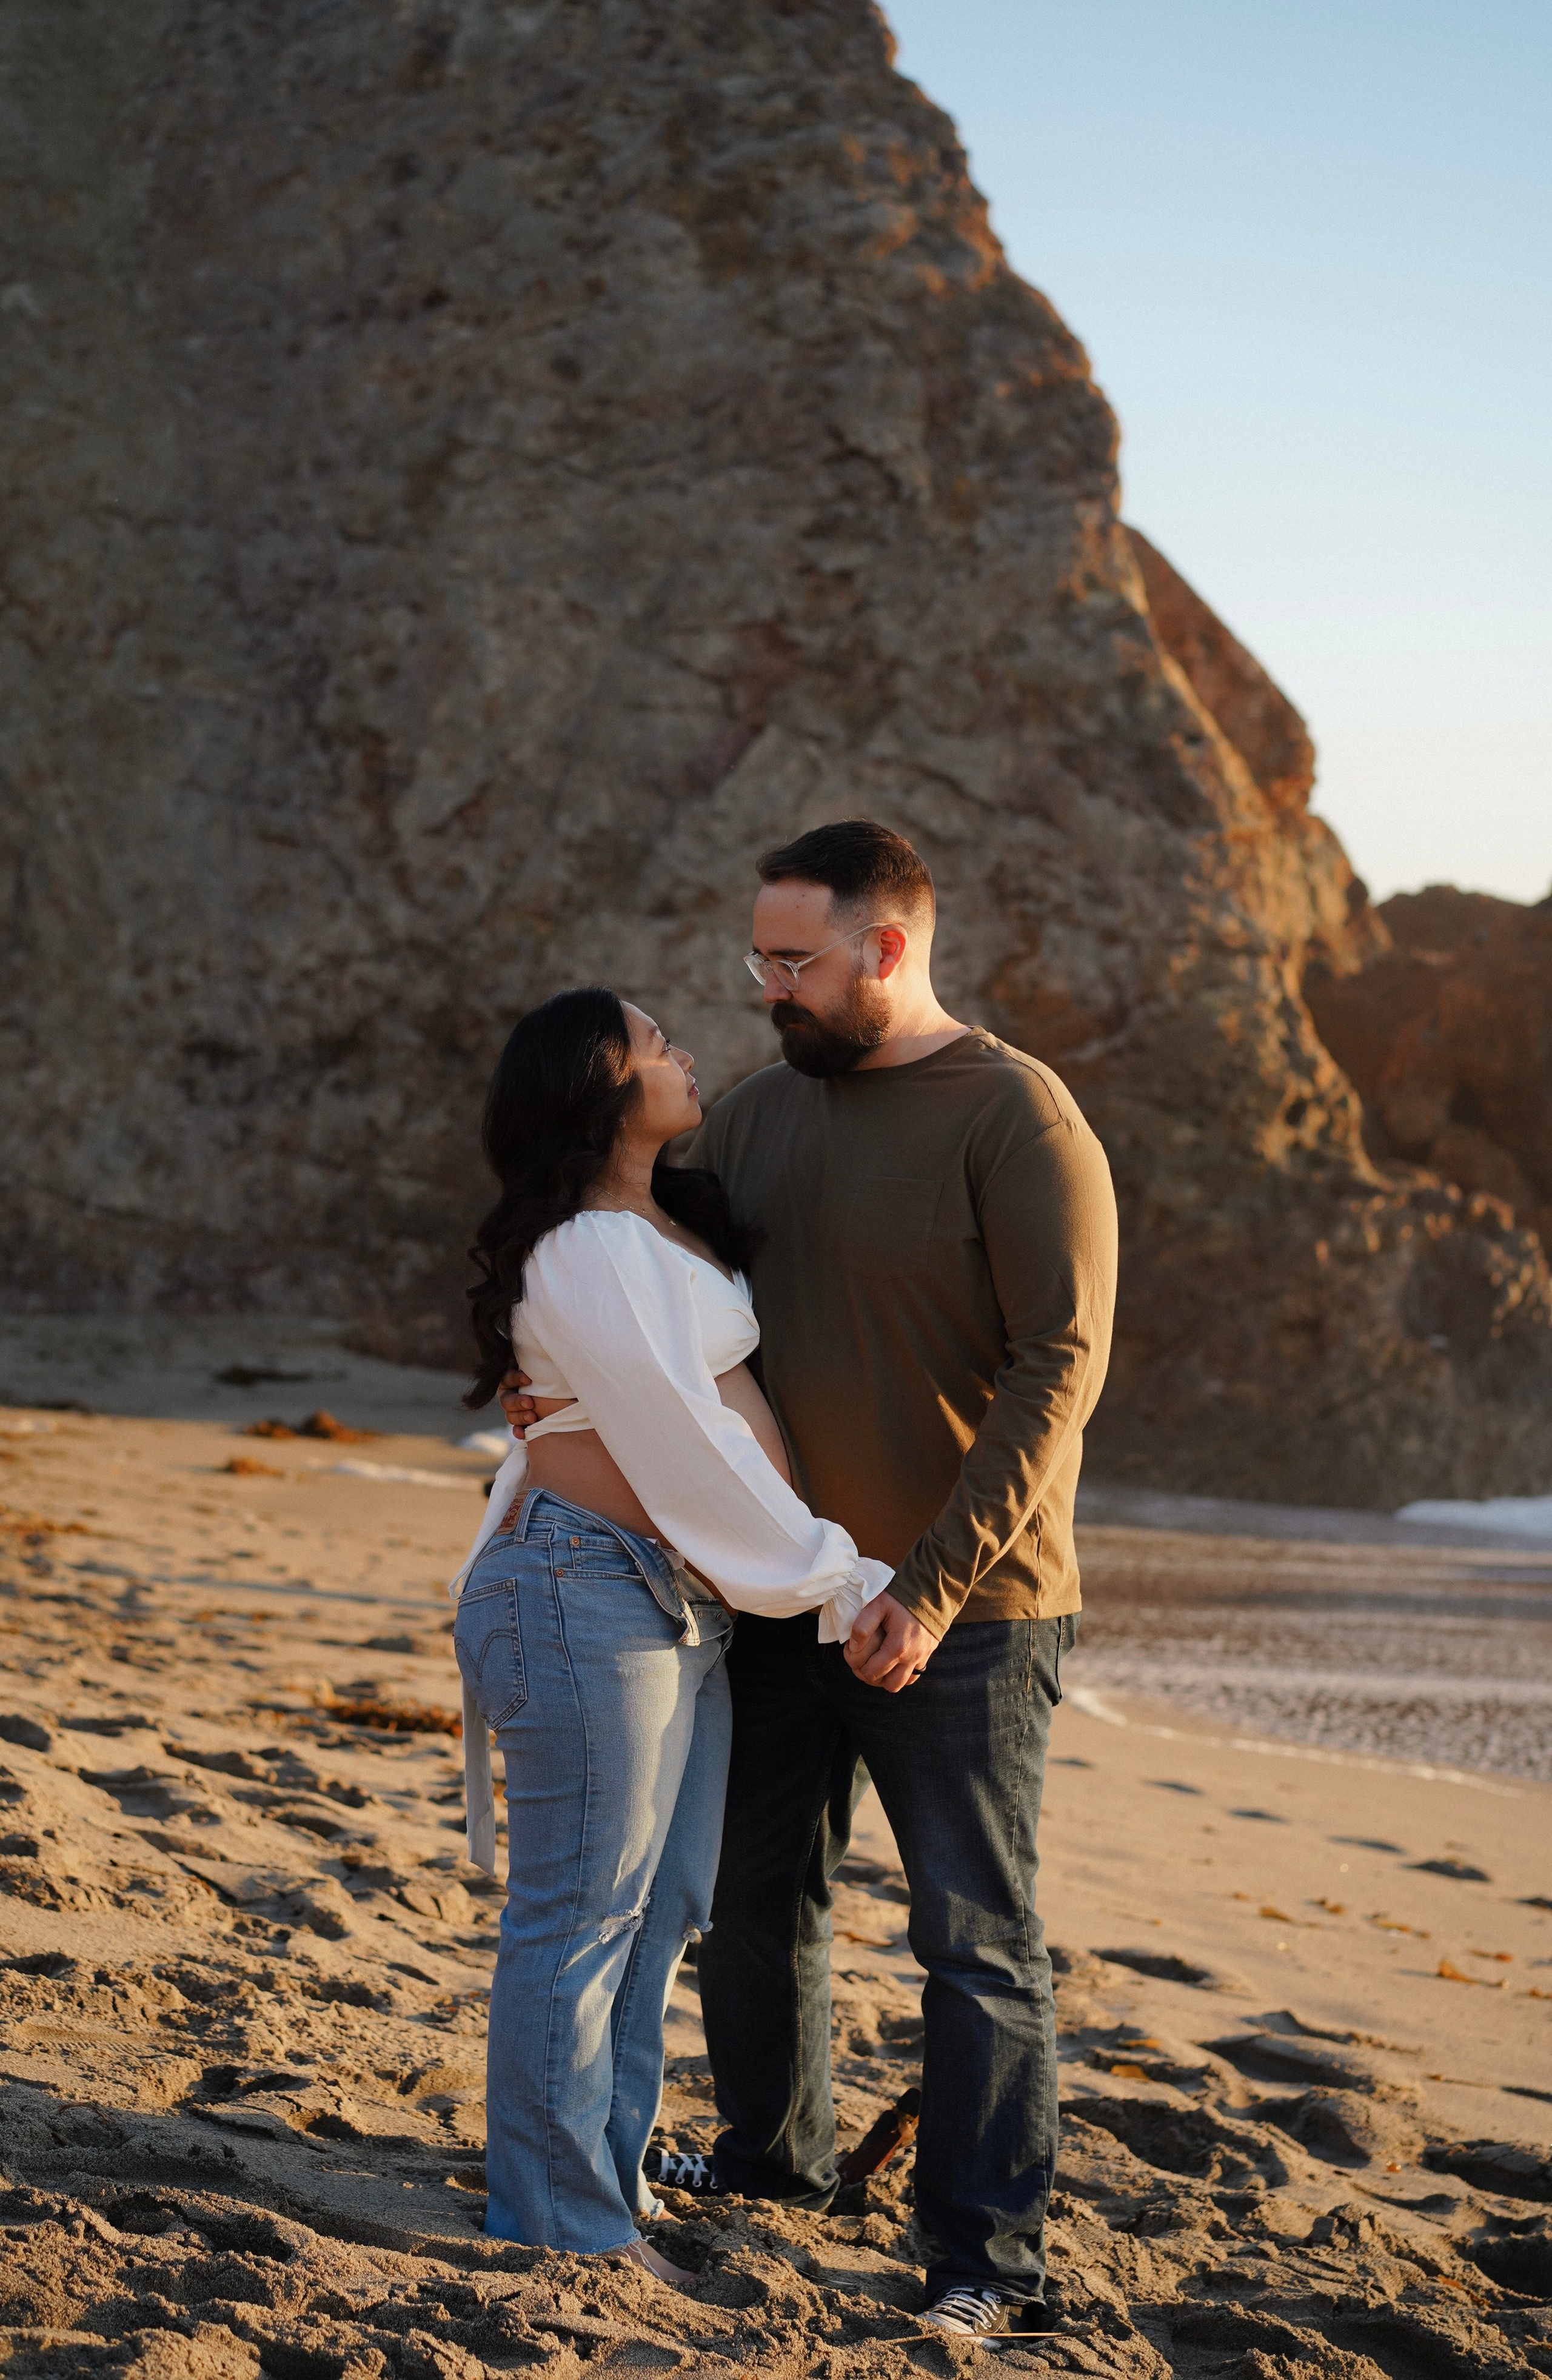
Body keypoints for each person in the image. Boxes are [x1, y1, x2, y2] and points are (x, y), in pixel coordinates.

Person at [503, 820, 1118, 2343]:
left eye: (794, 961)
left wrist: (932, 1583)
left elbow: (1059, 1367)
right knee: (753, 1906)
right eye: (758, 958)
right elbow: (643, 1296)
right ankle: (776, 2161)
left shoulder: (1018, 1117)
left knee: (973, 1942)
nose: (765, 987)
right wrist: (542, 1394)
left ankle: (984, 2260)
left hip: (966, 1612)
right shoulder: (760, 1117)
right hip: (774, 1599)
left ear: (886, 947)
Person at [451, 984, 899, 2285]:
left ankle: (606, 2179)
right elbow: (680, 1436)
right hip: (585, 1588)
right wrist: (836, 1578)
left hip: (675, 1606)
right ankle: (562, 2218)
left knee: (660, 1912)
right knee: (583, 1913)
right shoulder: (587, 1245)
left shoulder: (664, 1224)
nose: (683, 1049)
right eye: (653, 1042)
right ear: (595, 1086)